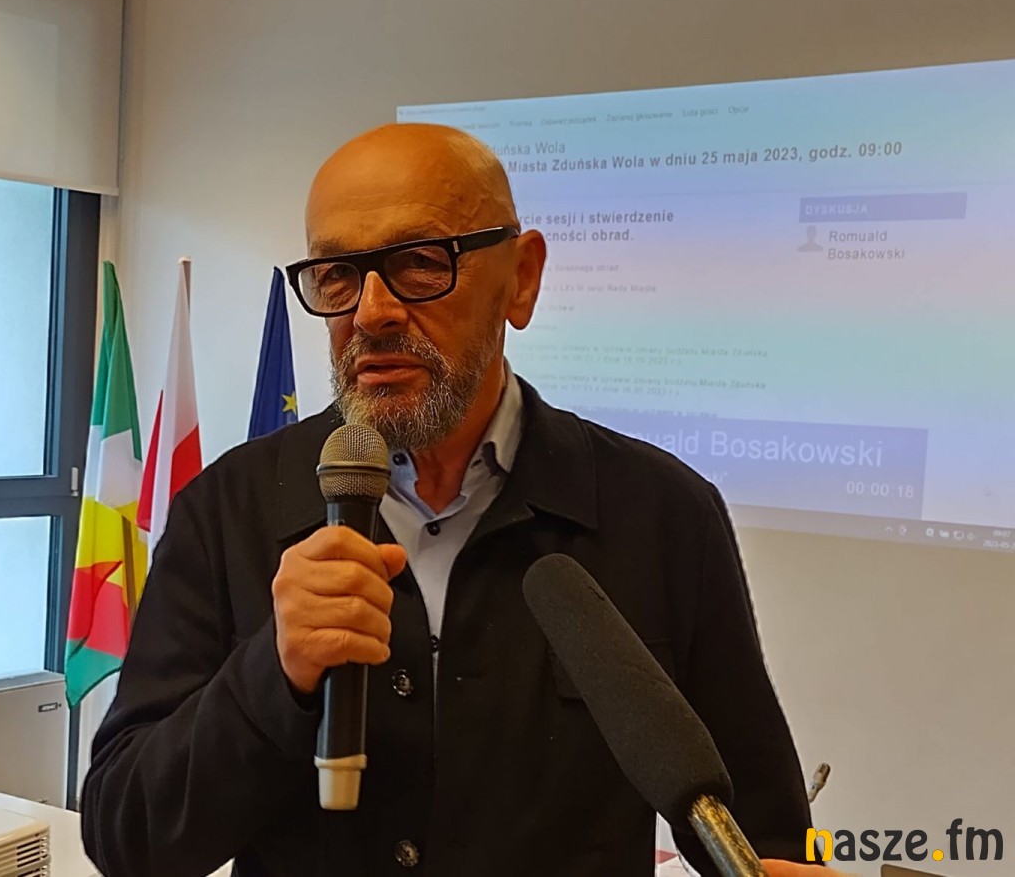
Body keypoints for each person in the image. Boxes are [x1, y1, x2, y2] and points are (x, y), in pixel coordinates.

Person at [82, 124, 816, 876]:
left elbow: (762, 840)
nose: (371, 312)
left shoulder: (663, 517)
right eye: (337, 275)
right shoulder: (228, 511)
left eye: (420, 262)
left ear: (521, 279)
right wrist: (274, 674)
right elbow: (126, 837)